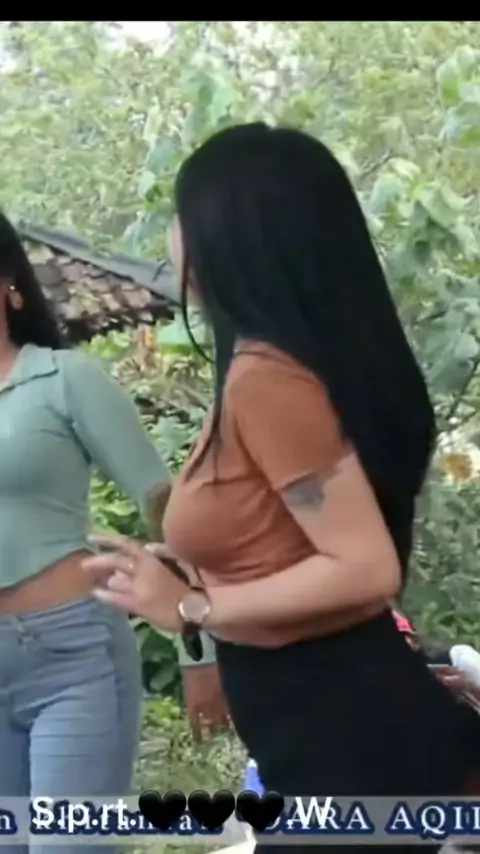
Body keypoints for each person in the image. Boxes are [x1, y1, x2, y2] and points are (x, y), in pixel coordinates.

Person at [82, 123, 480, 854]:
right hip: (331, 726)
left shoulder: (268, 378)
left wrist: (195, 608)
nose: (173, 236)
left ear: (230, 233)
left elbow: (364, 566)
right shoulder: (281, 366)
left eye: (182, 214)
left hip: (347, 735)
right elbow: (295, 541)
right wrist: (187, 569)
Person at [0, 211, 225, 854]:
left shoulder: (63, 379)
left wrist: (200, 648)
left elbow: (167, 512)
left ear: (8, 282)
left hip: (70, 656)